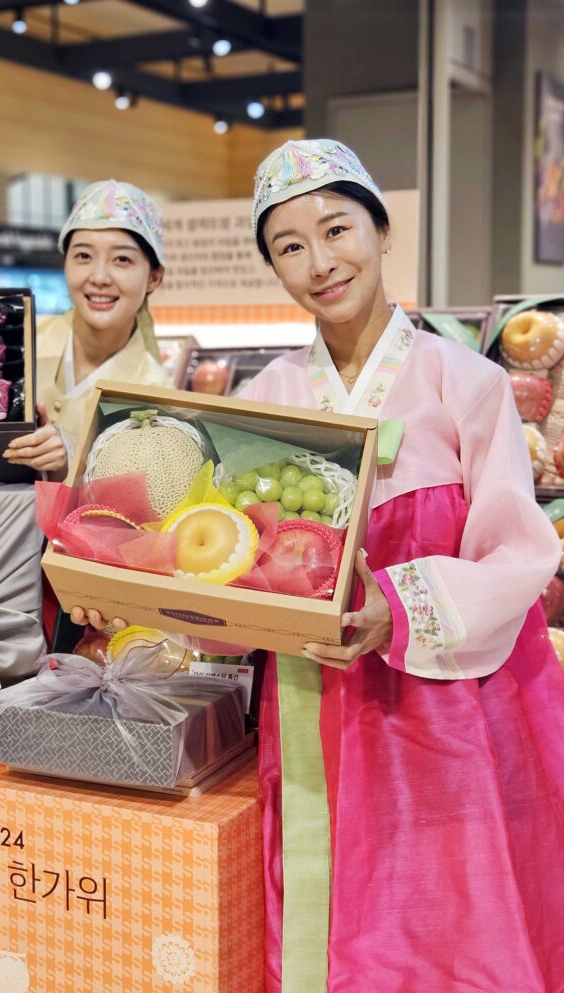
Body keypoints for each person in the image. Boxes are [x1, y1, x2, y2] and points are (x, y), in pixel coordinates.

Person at [75, 140, 564, 992]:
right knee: (327, 924)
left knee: (453, 925)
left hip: (450, 713)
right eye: (290, 246)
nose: (320, 262)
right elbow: (225, 560)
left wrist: (396, 608)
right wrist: (130, 589)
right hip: (312, 704)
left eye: (337, 230)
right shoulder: (265, 399)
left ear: (381, 231)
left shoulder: (466, 383)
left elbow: (519, 552)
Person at [3, 179, 170, 475]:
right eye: (84, 256)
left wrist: (71, 460)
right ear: (65, 264)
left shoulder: (154, 394)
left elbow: (140, 491)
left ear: (154, 277)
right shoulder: (20, 340)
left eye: (122, 259)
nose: (99, 277)